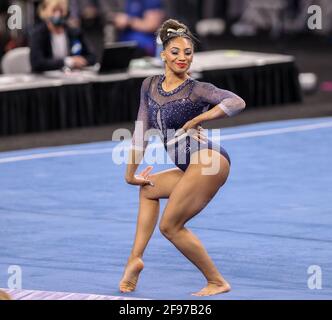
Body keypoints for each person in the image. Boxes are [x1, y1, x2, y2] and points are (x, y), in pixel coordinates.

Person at [119, 19, 246, 296]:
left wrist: (200, 118)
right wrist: (131, 172)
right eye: (175, 51)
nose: (182, 58)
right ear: (163, 54)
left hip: (210, 161)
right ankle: (134, 260)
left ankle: (216, 281)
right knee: (148, 188)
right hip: (191, 166)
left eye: (188, 52)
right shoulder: (149, 86)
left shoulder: (197, 89)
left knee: (170, 226)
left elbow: (236, 102)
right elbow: (141, 131)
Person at [29, 0, 96, 72]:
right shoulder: (38, 34)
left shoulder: (74, 32)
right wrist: (67, 61)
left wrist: (82, 61)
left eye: (61, 11)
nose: (58, 15)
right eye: (54, 11)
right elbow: (37, 63)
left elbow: (92, 57)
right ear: (45, 12)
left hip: (72, 77)